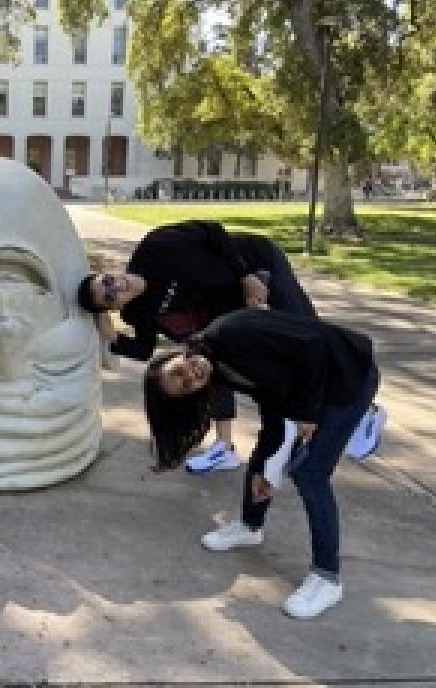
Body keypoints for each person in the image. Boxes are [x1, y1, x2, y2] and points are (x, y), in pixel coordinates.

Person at [144, 308, 381, 619]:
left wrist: (307, 415)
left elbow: (313, 346)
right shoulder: (221, 368)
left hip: (349, 374)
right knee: (266, 450)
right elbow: (273, 394)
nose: (190, 376)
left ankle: (327, 577)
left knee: (310, 474)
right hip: (310, 386)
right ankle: (249, 525)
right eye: (185, 386)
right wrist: (272, 460)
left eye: (178, 372)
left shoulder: (229, 333)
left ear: (177, 354)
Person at [76, 220, 315, 474]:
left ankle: (349, 409)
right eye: (110, 297)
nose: (116, 287)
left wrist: (245, 277)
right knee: (211, 367)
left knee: (308, 333)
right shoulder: (138, 313)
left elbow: (212, 230)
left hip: (257, 262)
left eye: (108, 281)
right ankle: (227, 446)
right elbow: (144, 350)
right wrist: (112, 338)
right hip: (232, 307)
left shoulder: (154, 248)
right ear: (114, 307)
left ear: (107, 272)